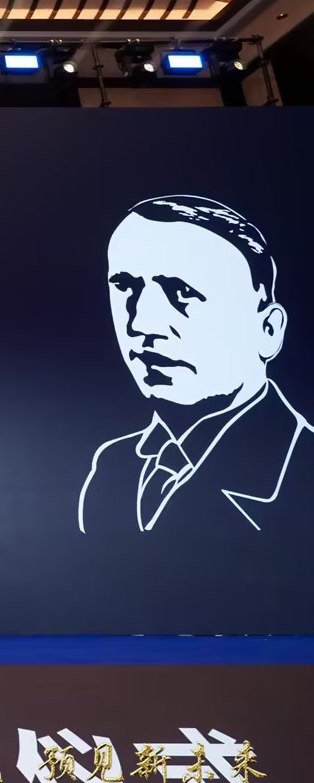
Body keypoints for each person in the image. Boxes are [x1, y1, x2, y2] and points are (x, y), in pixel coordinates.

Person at [79, 196, 311, 538]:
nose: (141, 323)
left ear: (268, 330)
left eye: (182, 291)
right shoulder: (114, 465)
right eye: (125, 286)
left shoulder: (303, 471)